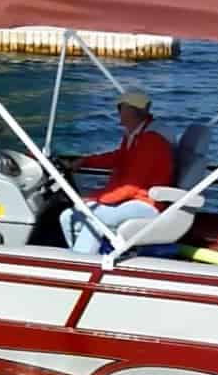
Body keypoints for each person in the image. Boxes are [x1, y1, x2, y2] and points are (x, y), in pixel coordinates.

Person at [59, 88, 174, 254]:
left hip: (146, 204)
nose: (118, 112)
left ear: (131, 111)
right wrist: (85, 161)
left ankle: (82, 260)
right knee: (67, 217)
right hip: (132, 199)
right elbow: (118, 158)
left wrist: (96, 198)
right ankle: (78, 256)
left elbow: (131, 186)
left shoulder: (151, 141)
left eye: (120, 108)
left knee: (95, 216)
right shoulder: (135, 135)